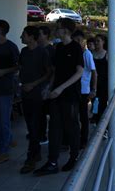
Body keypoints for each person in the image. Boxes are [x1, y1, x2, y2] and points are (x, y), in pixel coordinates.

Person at [34, 18, 84, 176]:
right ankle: (52, 161)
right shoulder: (58, 48)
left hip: (70, 95)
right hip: (55, 94)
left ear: (66, 31)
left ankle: (74, 157)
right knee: (54, 128)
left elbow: (79, 71)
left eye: (58, 27)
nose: (56, 30)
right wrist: (49, 87)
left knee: (71, 127)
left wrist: (61, 88)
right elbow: (55, 71)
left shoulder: (75, 48)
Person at [18, 26, 52, 174]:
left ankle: (31, 157)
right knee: (29, 125)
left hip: (37, 94)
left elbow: (48, 72)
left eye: (23, 35)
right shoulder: (24, 51)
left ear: (31, 37)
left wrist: (34, 84)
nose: (21, 37)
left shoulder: (42, 52)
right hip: (25, 93)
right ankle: (36, 152)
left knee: (34, 125)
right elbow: (21, 68)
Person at [0, 19, 20, 165]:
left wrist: (3, 72)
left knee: (4, 120)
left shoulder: (11, 47)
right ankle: (8, 138)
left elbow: (19, 66)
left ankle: (4, 152)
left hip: (5, 89)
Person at [72, 30, 97, 149]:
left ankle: (84, 140)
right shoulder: (74, 53)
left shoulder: (87, 54)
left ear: (83, 41)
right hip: (74, 89)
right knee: (73, 116)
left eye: (79, 40)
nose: (77, 43)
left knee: (83, 116)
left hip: (84, 90)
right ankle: (74, 138)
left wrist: (93, 89)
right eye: (75, 40)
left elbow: (94, 72)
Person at [37, 26, 55, 146]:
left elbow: (53, 70)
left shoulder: (51, 50)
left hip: (48, 86)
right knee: (39, 112)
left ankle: (45, 135)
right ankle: (40, 133)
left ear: (46, 35)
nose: (37, 36)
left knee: (48, 112)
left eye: (39, 34)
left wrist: (49, 86)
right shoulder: (36, 49)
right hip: (37, 86)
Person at [92, 34, 108, 122]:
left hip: (103, 82)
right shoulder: (91, 53)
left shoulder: (107, 54)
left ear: (103, 42)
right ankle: (95, 116)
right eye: (95, 41)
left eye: (98, 41)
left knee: (102, 101)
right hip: (93, 82)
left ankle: (102, 119)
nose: (96, 42)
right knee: (94, 100)